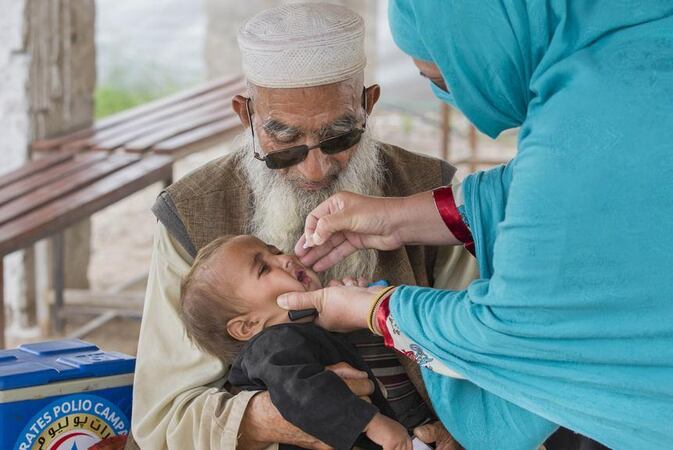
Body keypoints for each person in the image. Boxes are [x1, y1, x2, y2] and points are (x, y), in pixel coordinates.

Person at [277, 1, 673, 449]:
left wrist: (373, 307)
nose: (449, 97)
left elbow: (514, 334)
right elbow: (620, 185)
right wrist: (397, 220)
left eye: (442, 77)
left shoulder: (590, 108)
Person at [129, 3, 476, 450]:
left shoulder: (430, 191)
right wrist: (269, 418)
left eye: (339, 136)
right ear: (246, 116)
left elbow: (482, 354)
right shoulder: (191, 211)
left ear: (368, 105)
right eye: (286, 140)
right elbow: (163, 419)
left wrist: (464, 431)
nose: (315, 171)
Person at [179, 234, 410, 450]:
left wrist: (352, 307)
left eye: (275, 251)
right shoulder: (270, 346)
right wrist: (370, 422)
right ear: (246, 327)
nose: (285, 259)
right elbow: (302, 392)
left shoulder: (295, 335)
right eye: (263, 268)